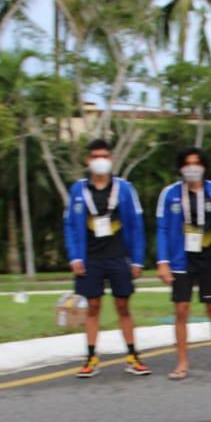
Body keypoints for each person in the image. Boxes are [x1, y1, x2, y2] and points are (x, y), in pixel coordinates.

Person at [63, 138, 150, 378]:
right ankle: (91, 358)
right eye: (95, 157)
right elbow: (70, 225)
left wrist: (137, 260)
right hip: (90, 257)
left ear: (110, 160)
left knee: (123, 306)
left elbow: (136, 226)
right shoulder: (78, 190)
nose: (100, 161)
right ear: (88, 161)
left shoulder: (124, 189)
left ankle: (133, 356)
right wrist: (74, 257)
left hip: (118, 256)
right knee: (93, 307)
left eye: (105, 156)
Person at [155, 146, 211, 379]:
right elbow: (162, 229)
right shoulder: (170, 194)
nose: (192, 168)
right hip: (181, 259)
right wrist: (162, 262)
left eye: (197, 163)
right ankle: (182, 364)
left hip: (209, 257)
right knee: (181, 310)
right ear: (181, 168)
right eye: (187, 164)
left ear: (204, 166)